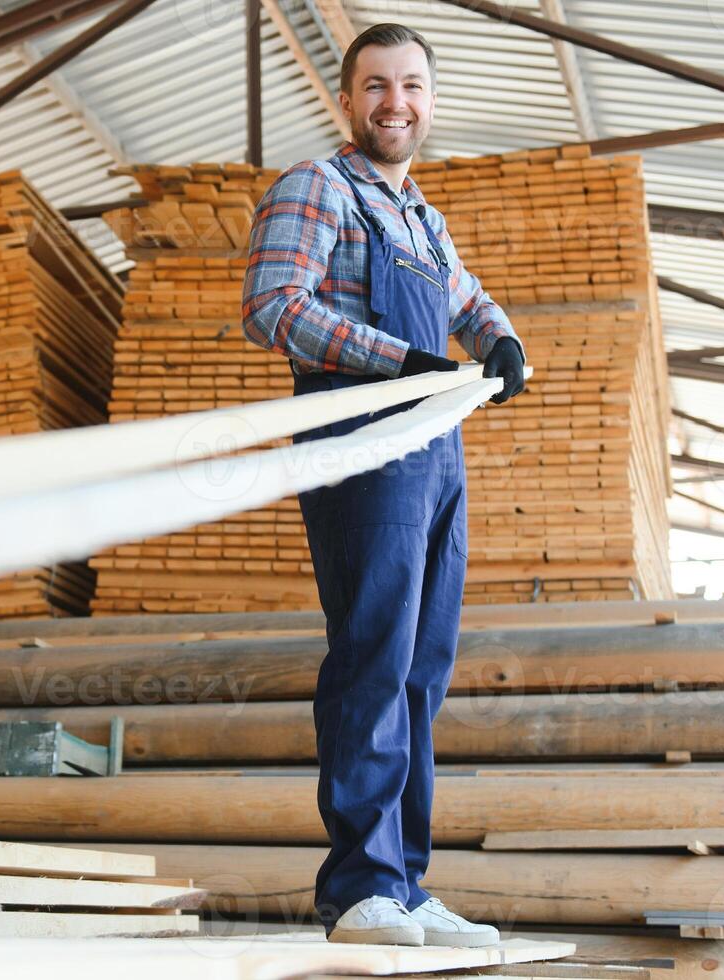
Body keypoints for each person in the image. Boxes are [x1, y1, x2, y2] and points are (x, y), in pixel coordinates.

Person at [240, 23, 527, 948]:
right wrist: (395, 360)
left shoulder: (421, 218)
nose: (392, 103)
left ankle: (404, 884)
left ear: (428, 103)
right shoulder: (317, 186)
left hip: (434, 451)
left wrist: (497, 338)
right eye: (374, 86)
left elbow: (463, 298)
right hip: (361, 444)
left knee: (420, 670)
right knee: (372, 654)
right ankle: (358, 888)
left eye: (409, 86)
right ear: (345, 98)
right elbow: (272, 305)